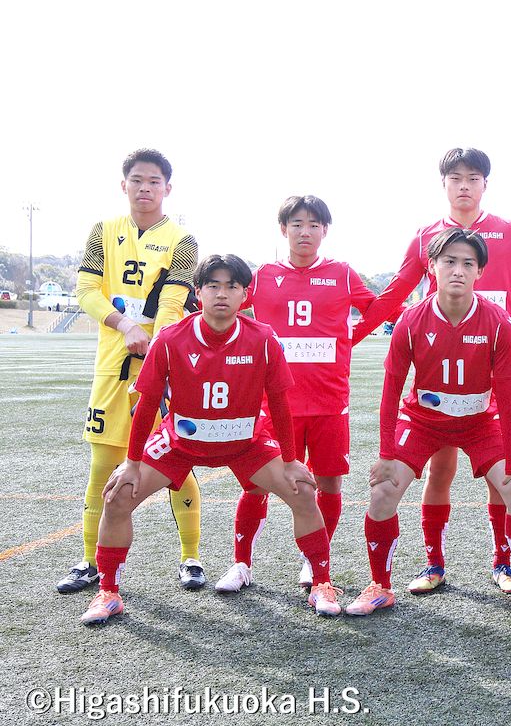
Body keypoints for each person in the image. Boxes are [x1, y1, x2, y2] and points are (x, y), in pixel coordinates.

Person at [352, 149, 511, 597]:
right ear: (444, 184)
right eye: (455, 177)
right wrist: (353, 337)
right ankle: (433, 563)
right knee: (439, 472)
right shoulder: (426, 236)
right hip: (437, 370)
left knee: (499, 478)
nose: (464, 185)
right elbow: (396, 292)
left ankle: (503, 563)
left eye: (473, 177)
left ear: (486, 184)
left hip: (485, 363)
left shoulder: (509, 231)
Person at [80, 255, 341, 624]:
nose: (222, 294)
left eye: (232, 286)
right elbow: (148, 403)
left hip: (245, 440)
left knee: (302, 491)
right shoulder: (170, 339)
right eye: (213, 285)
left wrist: (290, 459)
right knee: (118, 495)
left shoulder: (263, 339)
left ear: (245, 295)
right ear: (197, 292)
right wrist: (133, 463)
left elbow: (280, 402)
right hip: (181, 440)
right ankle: (108, 591)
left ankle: (321, 583)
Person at [346, 228, 511, 617]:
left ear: (480, 272)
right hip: (423, 420)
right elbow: (390, 393)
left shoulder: (497, 321)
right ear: (432, 267)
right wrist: (386, 454)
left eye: (468, 263)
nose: (458, 270)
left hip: (479, 421)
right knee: (383, 491)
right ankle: (385, 584)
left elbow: (508, 399)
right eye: (449, 261)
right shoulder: (411, 320)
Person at [59, 149, 205, 595]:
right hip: (111, 366)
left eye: (154, 181)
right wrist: (125, 326)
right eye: (137, 180)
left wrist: (158, 351)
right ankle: (90, 561)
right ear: (123, 185)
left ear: (168, 188)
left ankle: (191, 558)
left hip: (162, 369)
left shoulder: (183, 240)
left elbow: (173, 303)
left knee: (175, 463)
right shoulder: (102, 231)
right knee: (103, 466)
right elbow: (86, 291)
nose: (145, 188)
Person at [213, 196, 376, 593]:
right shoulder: (263, 275)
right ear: (283, 229)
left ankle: (313, 560)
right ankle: (241, 563)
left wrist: (348, 339)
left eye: (314, 224)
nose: (306, 232)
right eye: (297, 224)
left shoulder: (342, 274)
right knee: (256, 485)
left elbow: (376, 310)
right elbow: (226, 309)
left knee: (329, 485)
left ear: (325, 231)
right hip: (274, 403)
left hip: (329, 403)